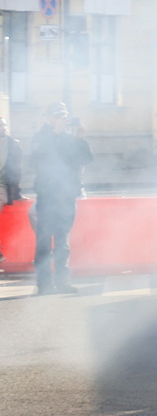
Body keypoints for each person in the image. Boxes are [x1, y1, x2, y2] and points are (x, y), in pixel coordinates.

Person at [29, 103, 92, 295]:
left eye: (64, 116)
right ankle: (44, 284)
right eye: (58, 116)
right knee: (44, 241)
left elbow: (85, 159)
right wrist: (55, 134)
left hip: (66, 196)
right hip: (47, 195)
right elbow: (40, 159)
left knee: (63, 241)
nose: (62, 120)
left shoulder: (70, 139)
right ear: (48, 118)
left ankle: (63, 281)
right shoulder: (40, 137)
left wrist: (80, 138)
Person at [0, 116, 20, 205]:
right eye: (0, 125)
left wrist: (17, 193)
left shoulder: (13, 144)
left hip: (3, 185)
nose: (4, 128)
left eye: (5, 125)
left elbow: (16, 170)